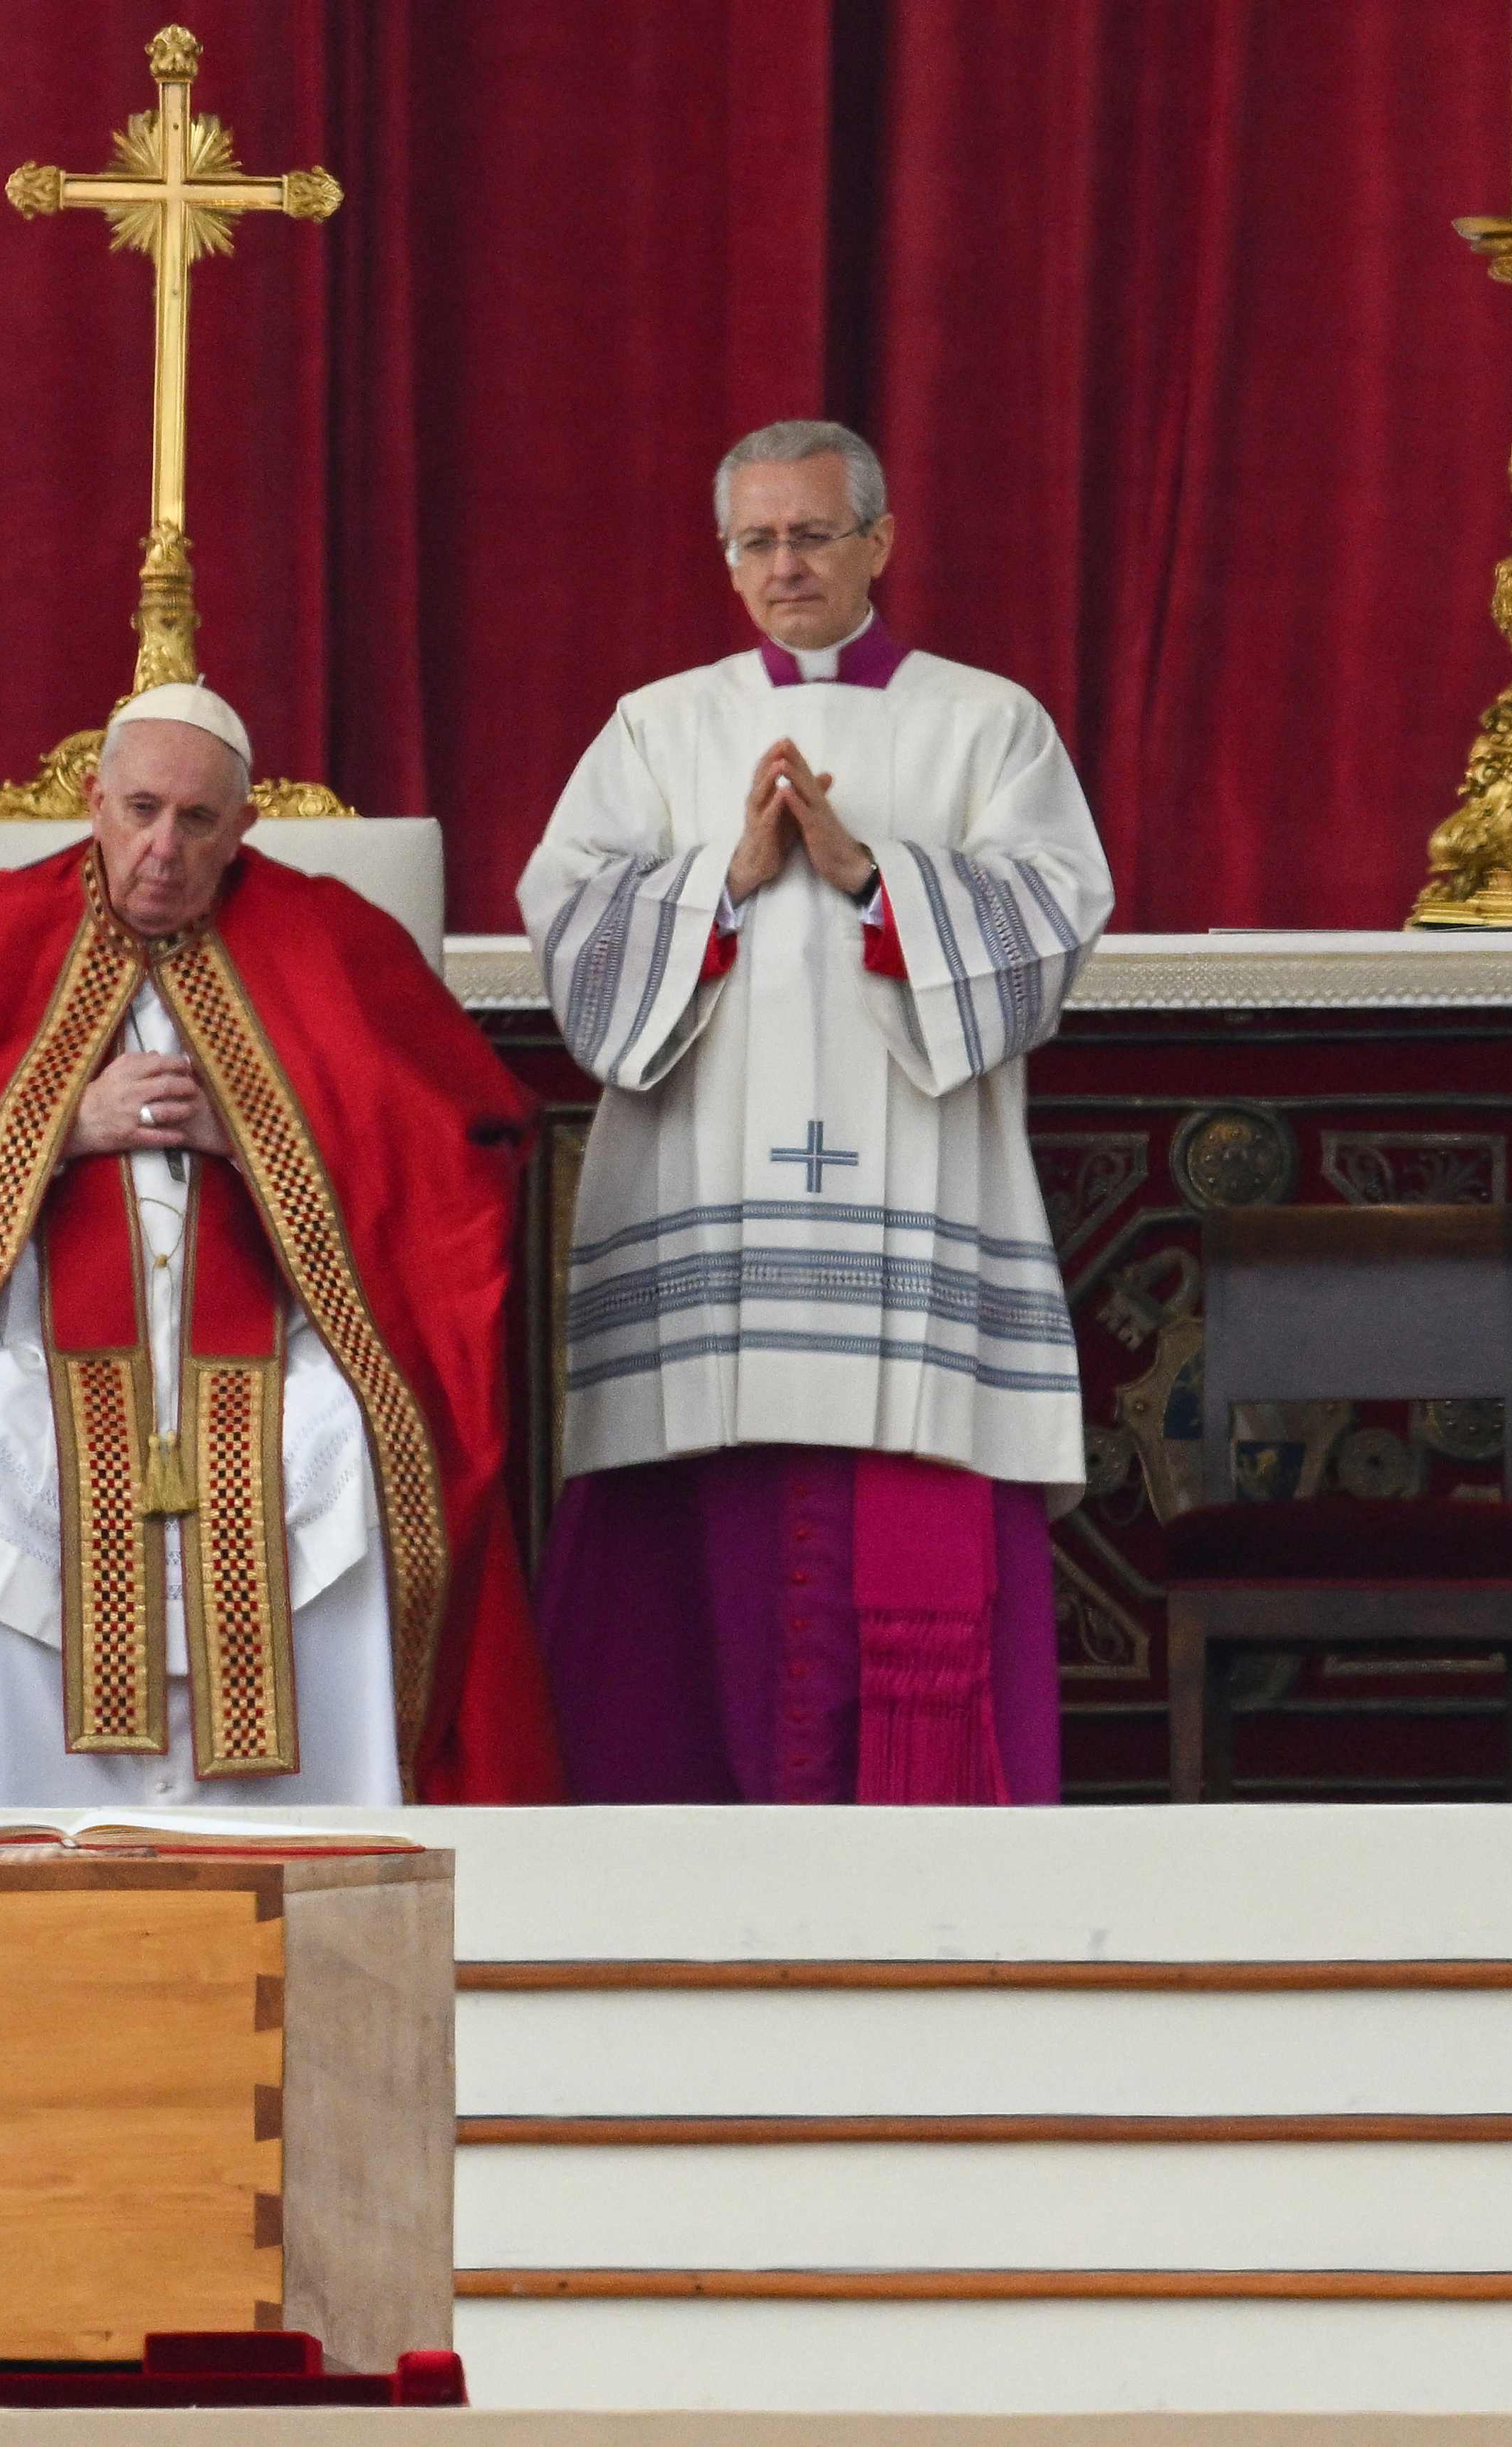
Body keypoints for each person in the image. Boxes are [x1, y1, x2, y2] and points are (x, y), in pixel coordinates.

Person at [0, 686, 560, 1808]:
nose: (161, 849)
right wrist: (53, 1127)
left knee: (343, 1437)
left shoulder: (331, 939)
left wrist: (266, 1134)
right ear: (94, 803)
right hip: (27, 1358)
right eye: (140, 810)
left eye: (196, 822)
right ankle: (6, 1830)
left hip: (280, 1360)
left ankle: (325, 1840)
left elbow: (461, 1147)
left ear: (243, 826)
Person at [519, 419, 1113, 1806]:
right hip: (701, 1203)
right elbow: (569, 924)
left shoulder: (985, 721)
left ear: (878, 544)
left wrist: (865, 873)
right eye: (755, 540)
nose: (783, 564)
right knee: (694, 1537)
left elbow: (1048, 917)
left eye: (810, 534)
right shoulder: (656, 725)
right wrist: (718, 877)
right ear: (726, 559)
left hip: (914, 1199)